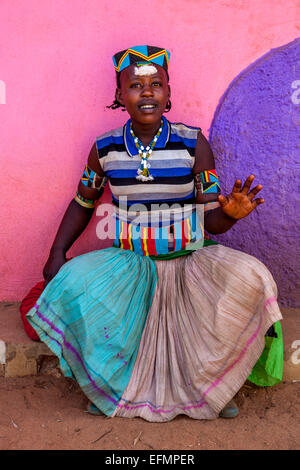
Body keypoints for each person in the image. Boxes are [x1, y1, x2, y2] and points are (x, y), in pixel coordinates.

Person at [24, 45, 283, 422]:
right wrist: (56, 254)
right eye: (135, 85)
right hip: (130, 264)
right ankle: (110, 390)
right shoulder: (105, 149)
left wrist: (231, 215)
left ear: (168, 93)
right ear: (119, 96)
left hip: (190, 260)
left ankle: (214, 389)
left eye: (156, 84)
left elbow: (211, 220)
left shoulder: (193, 143)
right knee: (73, 282)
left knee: (253, 277)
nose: (147, 92)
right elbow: (83, 201)